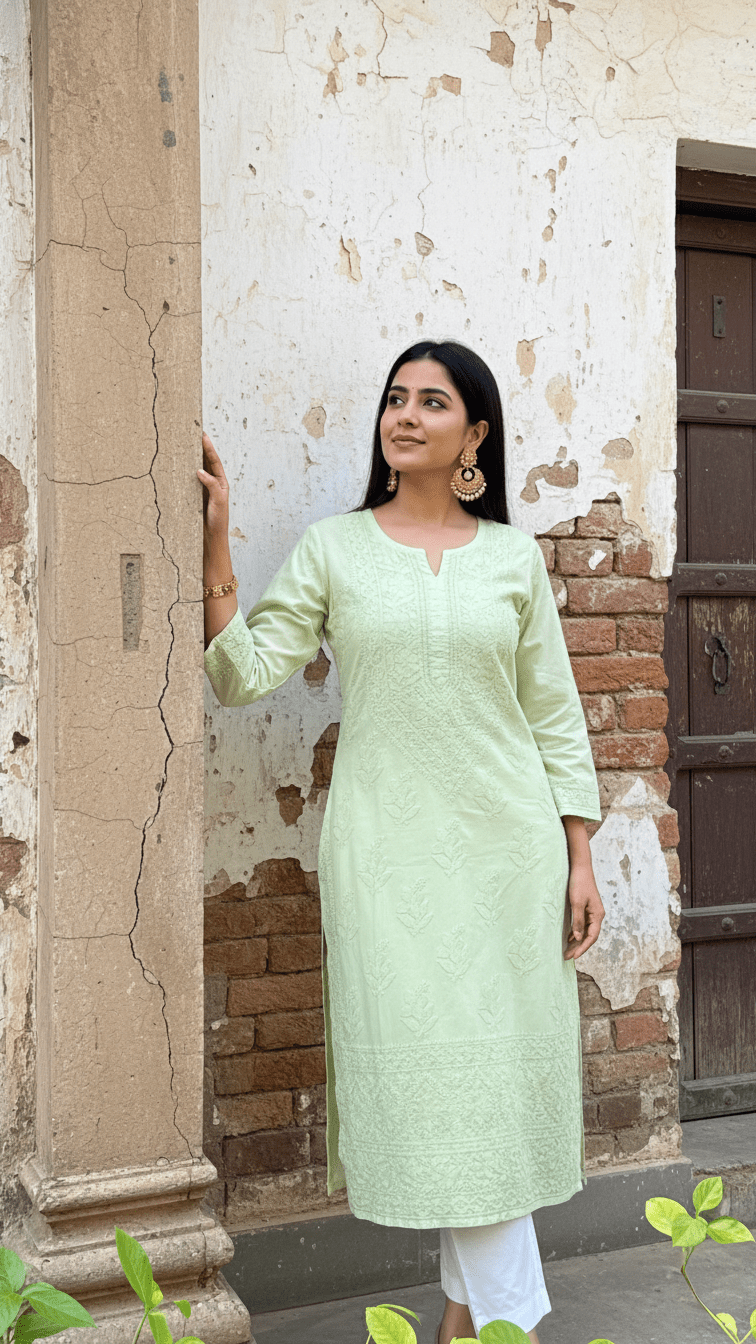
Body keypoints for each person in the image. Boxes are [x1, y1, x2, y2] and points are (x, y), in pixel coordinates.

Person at [200, 340, 605, 1344]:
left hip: (511, 855)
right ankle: (507, 1321)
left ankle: (469, 1324)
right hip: (386, 861)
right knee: (437, 1094)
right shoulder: (336, 549)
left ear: (474, 436)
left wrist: (582, 851)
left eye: (433, 402)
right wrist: (217, 551)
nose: (406, 415)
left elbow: (553, 714)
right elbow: (243, 674)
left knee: (494, 1098)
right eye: (395, 399)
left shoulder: (513, 558)